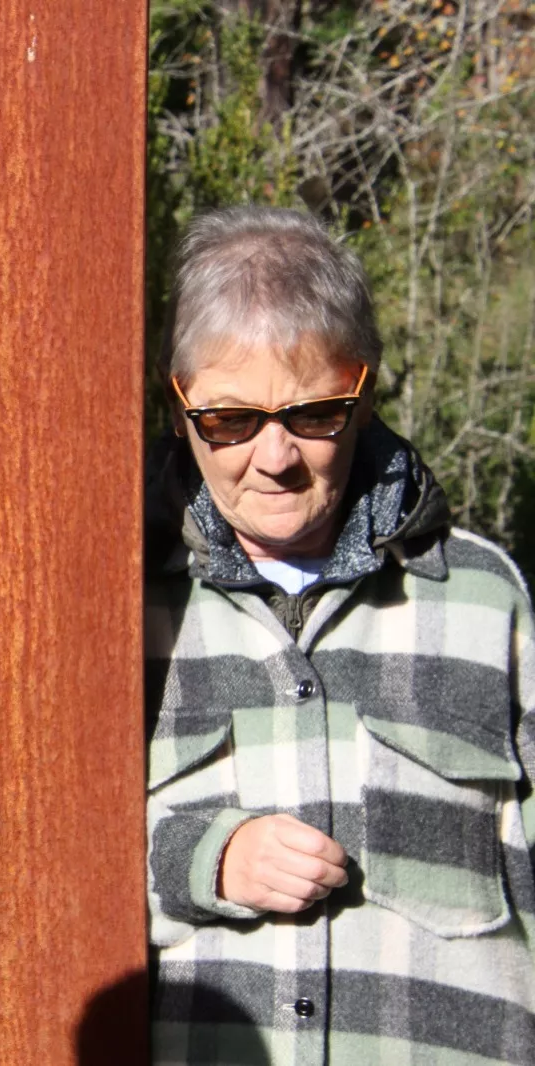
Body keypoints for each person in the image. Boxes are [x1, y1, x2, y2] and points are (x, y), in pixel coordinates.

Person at [145, 205, 535, 1065]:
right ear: (179, 411)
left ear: (364, 398)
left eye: (314, 414)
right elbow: (37, 882)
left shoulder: (486, 600)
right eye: (231, 420)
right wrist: (196, 861)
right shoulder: (114, 616)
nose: (275, 456)